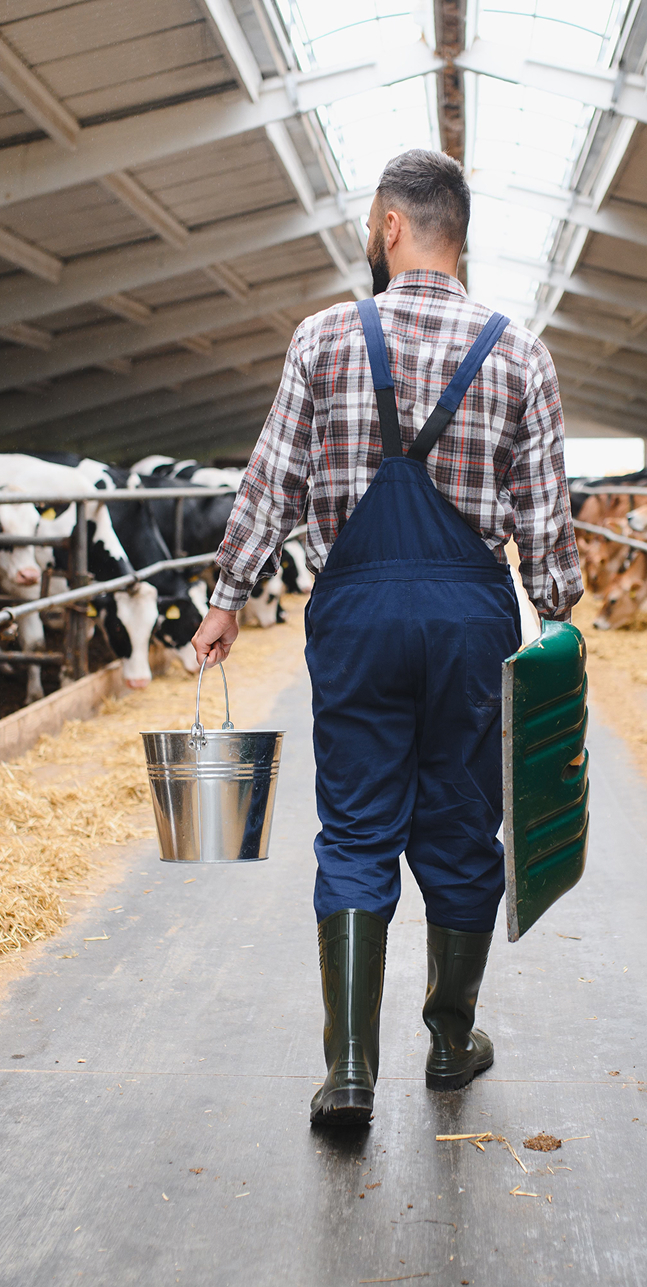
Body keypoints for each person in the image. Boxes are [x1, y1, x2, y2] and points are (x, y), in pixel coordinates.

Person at [192, 149, 583, 1127]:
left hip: (356, 615)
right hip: (468, 623)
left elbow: (269, 482)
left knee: (357, 825)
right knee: (459, 825)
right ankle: (451, 1040)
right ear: (458, 232)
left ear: (387, 224)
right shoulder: (517, 352)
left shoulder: (323, 338)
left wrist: (227, 596)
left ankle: (351, 1072)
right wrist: (560, 611)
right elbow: (544, 529)